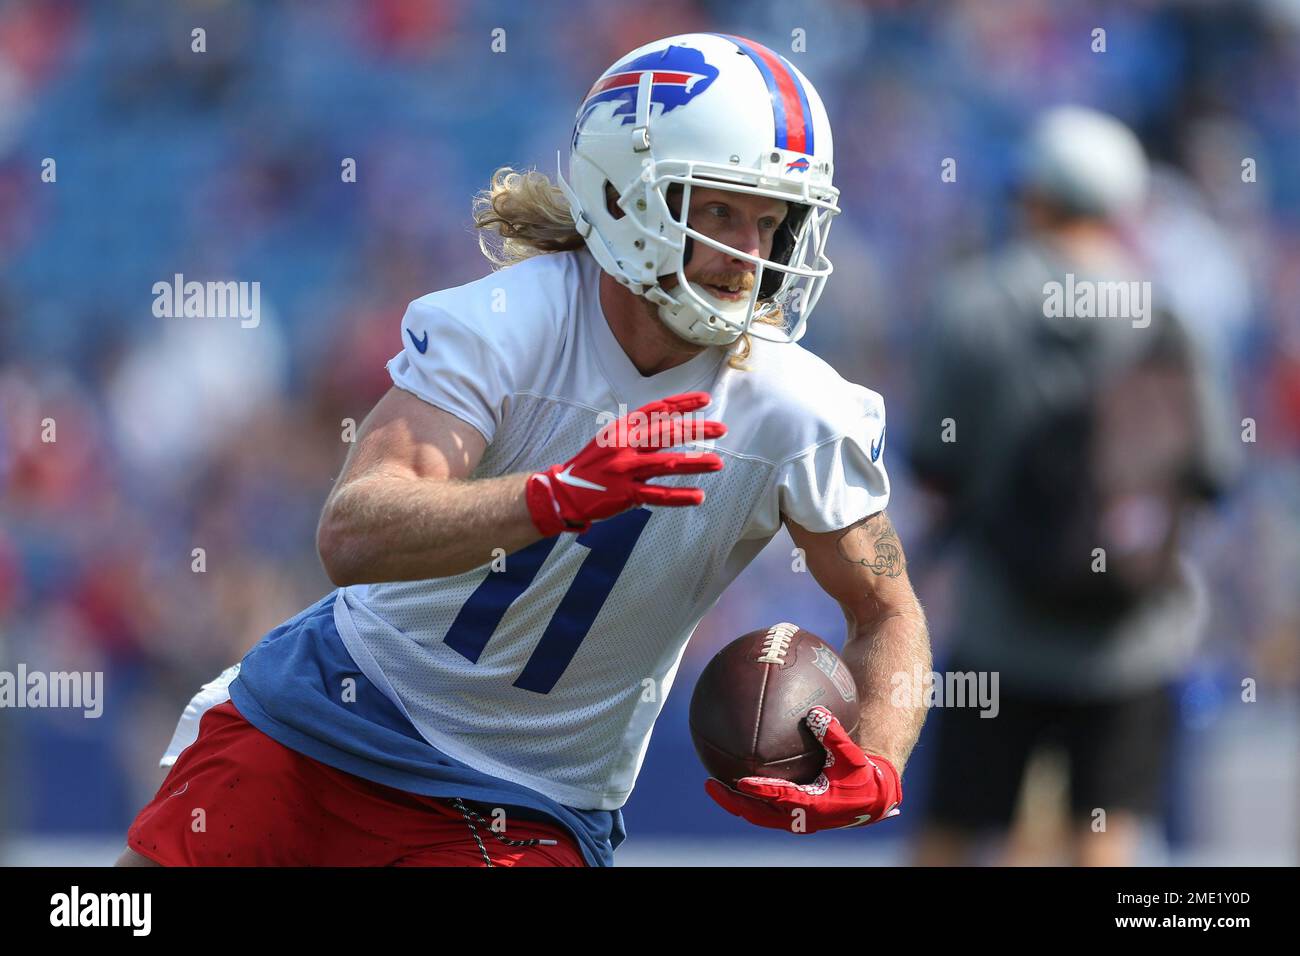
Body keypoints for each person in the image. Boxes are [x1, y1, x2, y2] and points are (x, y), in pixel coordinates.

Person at [117, 33, 930, 867]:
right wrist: (551, 498)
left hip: (529, 800)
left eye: (772, 221)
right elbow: (352, 532)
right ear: (626, 198)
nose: (750, 256)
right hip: (334, 716)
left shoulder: (800, 408)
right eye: (719, 210)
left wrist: (882, 757)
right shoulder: (509, 325)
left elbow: (887, 611)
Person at [908, 106, 1239, 866]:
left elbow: (934, 459)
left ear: (1034, 198)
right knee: (1106, 835)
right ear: (1123, 205)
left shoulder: (974, 307)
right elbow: (1215, 471)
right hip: (1134, 632)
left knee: (952, 830)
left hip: (1000, 625)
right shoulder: (1169, 314)